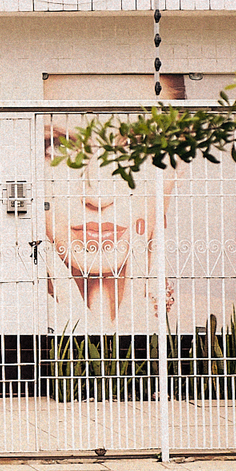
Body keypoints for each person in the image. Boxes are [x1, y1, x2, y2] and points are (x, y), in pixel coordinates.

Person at [43, 75, 185, 334]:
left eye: (136, 146)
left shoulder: (223, 323)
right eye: (58, 145)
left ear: (180, 163)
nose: (99, 198)